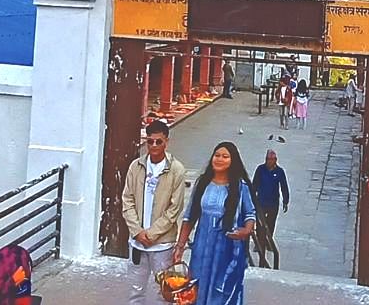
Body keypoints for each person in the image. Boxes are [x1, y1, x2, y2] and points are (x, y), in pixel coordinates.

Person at [174, 142, 256, 305]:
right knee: (196, 286)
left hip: (227, 250)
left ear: (233, 161)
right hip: (201, 247)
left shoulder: (241, 187)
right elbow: (190, 216)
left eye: (225, 157)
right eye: (217, 155)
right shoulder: (202, 183)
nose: (219, 159)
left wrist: (246, 231)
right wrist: (180, 246)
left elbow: (250, 214)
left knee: (222, 290)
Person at [122, 119, 188, 305]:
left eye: (158, 141)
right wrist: (137, 232)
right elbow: (127, 200)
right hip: (137, 242)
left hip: (162, 245)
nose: (154, 145)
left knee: (163, 293)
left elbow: (174, 209)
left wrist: (151, 234)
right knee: (135, 291)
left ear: (166, 141)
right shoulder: (136, 166)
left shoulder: (176, 170)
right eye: (150, 141)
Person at [249, 150, 289, 240]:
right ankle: (260, 242)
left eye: (271, 159)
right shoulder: (260, 169)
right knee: (260, 224)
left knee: (271, 224)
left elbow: (284, 186)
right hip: (261, 202)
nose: (269, 161)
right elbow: (254, 184)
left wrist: (285, 201)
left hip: (273, 203)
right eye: (268, 159)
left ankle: (269, 242)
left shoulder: (279, 171)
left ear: (275, 160)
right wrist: (251, 199)